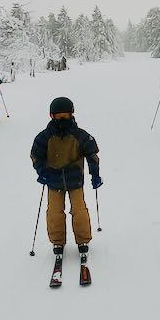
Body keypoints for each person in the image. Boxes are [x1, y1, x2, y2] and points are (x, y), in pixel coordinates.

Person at [30, 97, 102, 265]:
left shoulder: (79, 135)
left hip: (75, 179)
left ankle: (83, 239)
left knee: (79, 210)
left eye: (66, 115)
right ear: (51, 116)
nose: (62, 119)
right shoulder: (45, 136)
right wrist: (41, 171)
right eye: (58, 116)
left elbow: (92, 154)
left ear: (72, 114)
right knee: (54, 212)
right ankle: (57, 241)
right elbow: (36, 155)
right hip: (54, 181)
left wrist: (95, 174)